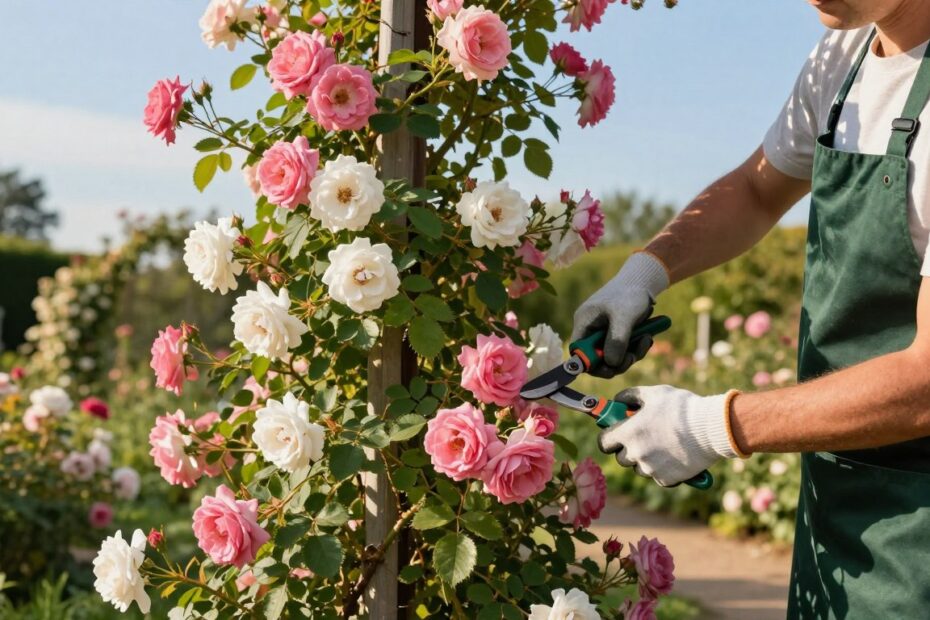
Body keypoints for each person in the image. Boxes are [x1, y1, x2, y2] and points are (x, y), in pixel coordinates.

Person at [570, 1, 930, 617]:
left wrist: (712, 426)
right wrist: (644, 272)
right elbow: (759, 189)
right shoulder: (842, 57)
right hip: (840, 499)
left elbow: (925, 383)